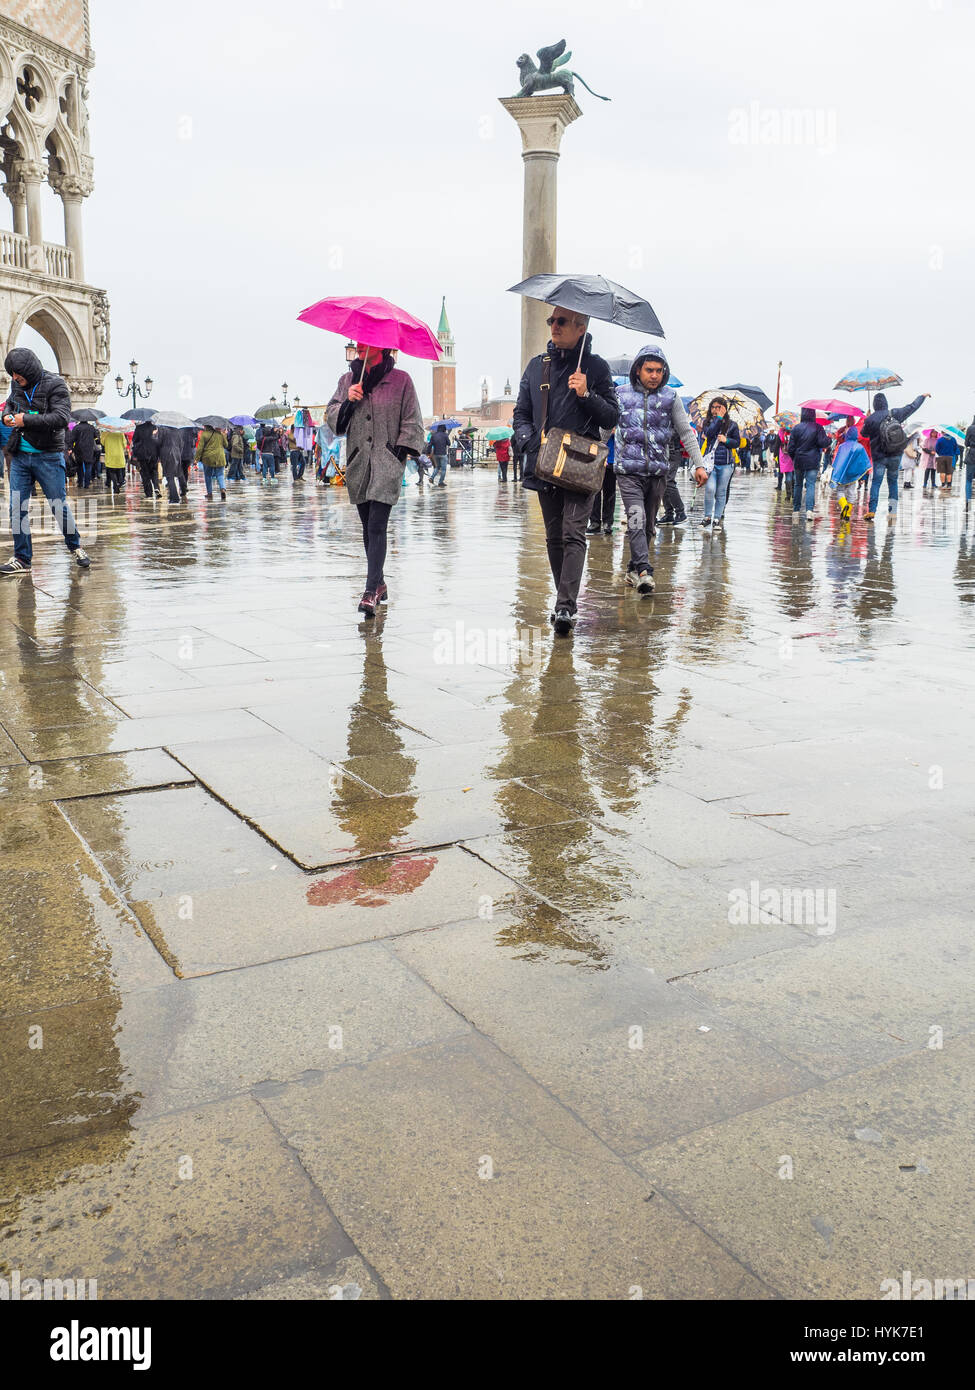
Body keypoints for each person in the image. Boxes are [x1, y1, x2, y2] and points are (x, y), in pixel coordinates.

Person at [513, 307, 619, 634]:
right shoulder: (536, 367)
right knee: (554, 538)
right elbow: (521, 415)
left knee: (574, 533)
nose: (554, 326)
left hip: (581, 466)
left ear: (580, 327)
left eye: (561, 321)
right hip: (545, 464)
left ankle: (565, 607)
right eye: (551, 321)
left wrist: (586, 393)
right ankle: (565, 598)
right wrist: (531, 443)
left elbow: (612, 417)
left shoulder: (597, 368)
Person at [327, 343, 424, 618]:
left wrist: (399, 452)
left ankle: (370, 591)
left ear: (381, 346)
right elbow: (334, 419)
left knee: (378, 525)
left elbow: (412, 419)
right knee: (367, 526)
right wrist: (348, 401)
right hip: (359, 462)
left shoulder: (401, 380)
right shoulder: (347, 380)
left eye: (365, 342)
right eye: (356, 342)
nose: (359, 345)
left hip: (387, 462)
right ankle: (379, 583)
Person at [613, 344, 707, 590]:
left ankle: (634, 568)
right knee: (635, 517)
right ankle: (645, 571)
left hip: (657, 471)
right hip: (628, 470)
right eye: (649, 370)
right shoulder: (620, 395)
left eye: (658, 370)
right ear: (638, 371)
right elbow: (604, 428)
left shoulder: (670, 398)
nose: (654, 375)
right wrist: (594, 456)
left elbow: (686, 432)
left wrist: (699, 465)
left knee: (648, 525)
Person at [0, 348, 91, 576]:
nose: (14, 378)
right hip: (20, 455)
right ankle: (22, 558)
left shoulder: (56, 384)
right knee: (17, 507)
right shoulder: (16, 385)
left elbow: (61, 418)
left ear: (28, 370)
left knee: (57, 505)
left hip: (48, 455)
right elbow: (11, 403)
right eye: (11, 374)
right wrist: (7, 415)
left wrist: (25, 419)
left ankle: (75, 546)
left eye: (17, 374)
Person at [862, 390, 928, 520]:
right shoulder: (895, 413)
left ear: (875, 404)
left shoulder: (871, 419)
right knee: (893, 482)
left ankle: (872, 511)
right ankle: (892, 512)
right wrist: (922, 397)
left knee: (876, 483)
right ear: (886, 403)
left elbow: (864, 434)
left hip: (879, 457)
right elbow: (912, 407)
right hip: (895, 455)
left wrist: (868, 419)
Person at [699, 397, 740, 530]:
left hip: (726, 464)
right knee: (710, 490)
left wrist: (726, 440)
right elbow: (709, 433)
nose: (715, 409)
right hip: (711, 464)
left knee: (721, 492)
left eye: (719, 407)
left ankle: (717, 519)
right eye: (713, 407)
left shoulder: (733, 425)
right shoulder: (708, 422)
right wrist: (718, 419)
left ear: (725, 408)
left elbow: (737, 442)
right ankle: (707, 517)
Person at [788, 407, 828, 523]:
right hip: (812, 461)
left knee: (798, 485)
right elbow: (823, 443)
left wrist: (794, 458)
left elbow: (791, 448)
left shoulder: (796, 428)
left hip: (799, 461)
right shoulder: (818, 427)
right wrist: (828, 440)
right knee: (810, 485)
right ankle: (809, 511)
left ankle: (796, 510)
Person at [830, 425, 871, 522]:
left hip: (842, 474)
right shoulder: (860, 447)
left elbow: (837, 461)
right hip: (853, 475)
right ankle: (847, 514)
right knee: (851, 493)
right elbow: (864, 463)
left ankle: (844, 505)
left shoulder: (841, 446)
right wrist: (863, 477)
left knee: (840, 491)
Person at [587, 431, 618, 534]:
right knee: (595, 490)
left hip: (612, 457)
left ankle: (608, 522)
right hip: (597, 456)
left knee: (610, 491)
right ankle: (594, 522)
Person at [195, 425, 228, 501]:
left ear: (206, 427)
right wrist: (224, 435)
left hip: (208, 458)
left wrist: (196, 459)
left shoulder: (204, 434)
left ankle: (209, 493)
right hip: (220, 457)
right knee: (220, 474)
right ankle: (222, 488)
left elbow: (200, 448)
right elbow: (226, 445)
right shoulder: (220, 434)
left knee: (208, 476)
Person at [131, 421, 160, 498]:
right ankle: (156, 487)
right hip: (154, 454)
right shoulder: (155, 428)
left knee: (145, 474)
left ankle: (149, 493)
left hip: (142, 454)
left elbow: (134, 440)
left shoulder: (139, 428)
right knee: (154, 472)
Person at [156, 425, 184, 503]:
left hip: (166, 454)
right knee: (172, 476)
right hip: (176, 453)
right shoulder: (177, 431)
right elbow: (181, 444)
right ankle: (173, 496)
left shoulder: (162, 430)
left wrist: (158, 455)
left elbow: (158, 443)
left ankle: (174, 498)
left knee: (169, 476)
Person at [71, 418, 99, 489]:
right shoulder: (91, 427)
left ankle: (80, 483)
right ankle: (87, 484)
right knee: (88, 466)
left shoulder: (76, 428)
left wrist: (71, 448)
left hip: (79, 449)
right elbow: (96, 436)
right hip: (89, 449)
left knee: (79, 466)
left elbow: (72, 439)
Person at [102, 427, 128, 493]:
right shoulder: (120, 432)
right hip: (119, 455)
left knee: (111, 471)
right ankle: (119, 483)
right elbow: (124, 444)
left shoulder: (105, 433)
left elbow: (102, 443)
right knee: (119, 470)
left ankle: (115, 484)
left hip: (110, 454)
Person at [179, 427, 196, 497]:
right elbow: (193, 444)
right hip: (188, 454)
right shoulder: (191, 431)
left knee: (180, 471)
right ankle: (184, 485)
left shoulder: (179, 430)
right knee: (185, 470)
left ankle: (183, 487)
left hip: (180, 453)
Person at [964, 417, 975, 510]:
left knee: (968, 480)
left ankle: (967, 502)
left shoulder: (971, 428)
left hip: (972, 454)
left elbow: (966, 443)